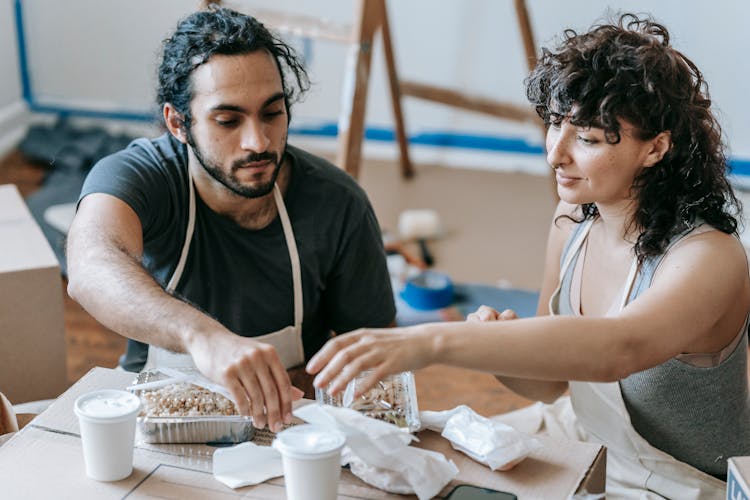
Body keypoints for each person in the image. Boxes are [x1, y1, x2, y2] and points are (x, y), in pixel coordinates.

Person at [307, 14, 750, 498]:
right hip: (576, 436)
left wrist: (432, 342)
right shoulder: (574, 218)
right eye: (555, 124)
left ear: (656, 147)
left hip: (676, 484)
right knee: (405, 465)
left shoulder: (709, 257)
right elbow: (551, 385)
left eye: (586, 137)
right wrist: (494, 346)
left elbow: (617, 349)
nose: (555, 154)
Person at [66, 6, 396, 432]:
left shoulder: (338, 203)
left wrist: (296, 389)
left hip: (290, 426)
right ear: (178, 123)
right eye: (228, 120)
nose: (258, 142)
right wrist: (203, 337)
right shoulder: (137, 176)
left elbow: (380, 354)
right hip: (156, 423)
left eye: (272, 113)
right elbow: (90, 266)